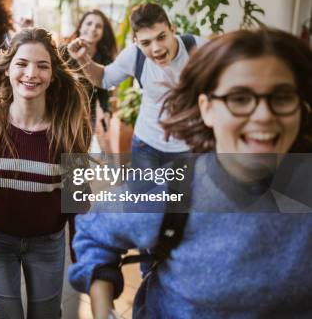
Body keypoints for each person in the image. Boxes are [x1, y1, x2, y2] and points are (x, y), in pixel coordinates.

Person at [68, 28, 312, 318]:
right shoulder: (172, 189)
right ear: (207, 109)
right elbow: (97, 233)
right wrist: (103, 310)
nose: (263, 115)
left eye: (282, 98)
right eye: (240, 99)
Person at [0, 28, 92, 318]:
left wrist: (84, 258)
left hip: (48, 244)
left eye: (42, 65)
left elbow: (78, 201)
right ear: (8, 69)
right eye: (22, 63)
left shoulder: (68, 131)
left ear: (53, 74)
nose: (31, 73)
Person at [67, 2, 207, 168]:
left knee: (181, 195)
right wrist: (82, 58)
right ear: (136, 42)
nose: (156, 49)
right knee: (141, 194)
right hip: (146, 146)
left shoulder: (199, 49)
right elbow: (103, 78)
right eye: (146, 43)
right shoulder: (134, 56)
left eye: (161, 37)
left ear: (172, 30)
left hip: (189, 148)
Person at [65, 9, 118, 152]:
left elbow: (103, 89)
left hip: (88, 114)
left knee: (79, 156)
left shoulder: (104, 58)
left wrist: (107, 111)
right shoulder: (65, 51)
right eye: (89, 23)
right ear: (80, 26)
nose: (93, 29)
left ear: (102, 32)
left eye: (98, 26)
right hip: (63, 110)